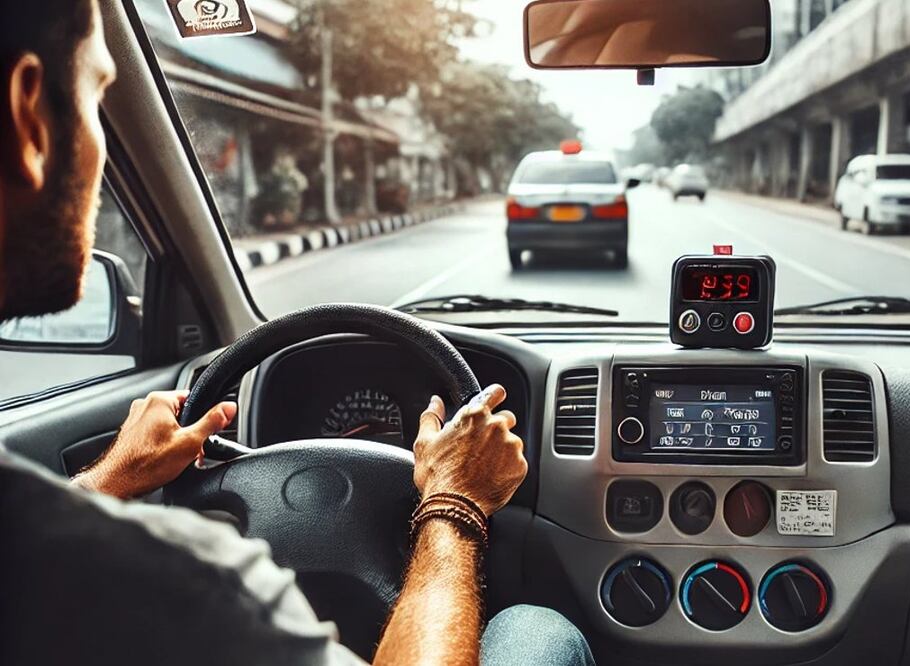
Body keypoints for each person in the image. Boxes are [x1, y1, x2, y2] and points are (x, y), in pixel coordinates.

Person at [0, 2, 595, 665]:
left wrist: (110, 478)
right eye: (98, 98)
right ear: (29, 116)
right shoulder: (203, 586)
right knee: (537, 629)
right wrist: (455, 499)